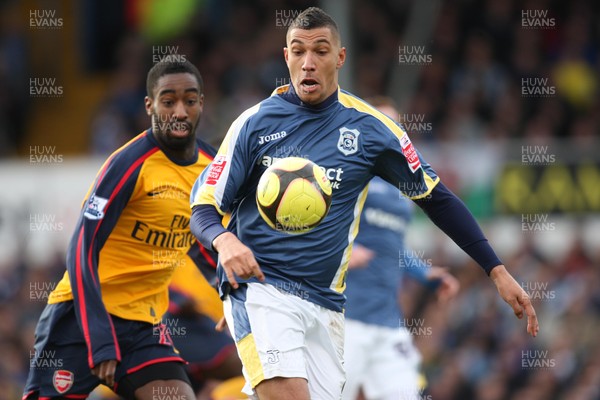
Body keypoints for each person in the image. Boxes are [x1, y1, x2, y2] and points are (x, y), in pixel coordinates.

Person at [189, 7, 539, 400]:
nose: (308, 62)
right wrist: (225, 241)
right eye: (298, 51)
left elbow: (437, 199)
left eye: (320, 51)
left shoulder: (372, 130)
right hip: (261, 292)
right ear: (285, 56)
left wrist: (496, 270)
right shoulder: (253, 125)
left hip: (327, 304)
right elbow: (202, 208)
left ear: (340, 58)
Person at [24, 60, 216, 399]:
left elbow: (202, 239)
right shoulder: (129, 164)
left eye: (190, 100)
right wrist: (100, 339)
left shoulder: (211, 166)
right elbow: (81, 248)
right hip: (80, 321)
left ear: (202, 103)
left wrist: (235, 293)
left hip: (144, 327)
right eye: (168, 101)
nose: (180, 111)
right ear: (149, 106)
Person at [342, 97, 460, 400]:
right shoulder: (349, 177)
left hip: (388, 321)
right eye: (381, 123)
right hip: (346, 318)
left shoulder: (402, 186)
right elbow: (312, 225)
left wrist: (424, 273)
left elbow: (392, 244)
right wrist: (342, 252)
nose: (388, 132)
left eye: (394, 126)